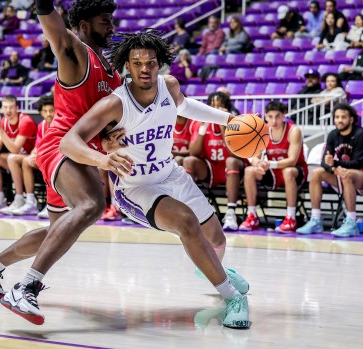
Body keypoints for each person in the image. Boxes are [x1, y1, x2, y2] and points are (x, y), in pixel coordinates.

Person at [60, 30, 250, 329]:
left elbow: (186, 106)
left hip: (170, 173)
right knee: (187, 222)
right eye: (137, 63)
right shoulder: (115, 103)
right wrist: (102, 158)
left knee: (217, 238)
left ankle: (210, 269)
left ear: (159, 63)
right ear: (127, 66)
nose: (145, 69)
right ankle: (232, 297)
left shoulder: (170, 86)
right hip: (137, 187)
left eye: (150, 62)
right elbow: (69, 141)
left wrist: (228, 120)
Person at [0, 0, 122, 324]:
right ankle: (26, 287)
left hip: (79, 153)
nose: (112, 27)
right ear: (84, 25)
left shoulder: (113, 73)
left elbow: (108, 125)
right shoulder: (77, 53)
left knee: (57, 230)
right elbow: (55, 32)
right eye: (105, 21)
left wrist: (112, 138)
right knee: (91, 205)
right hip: (61, 146)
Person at [297, 103, 363, 237]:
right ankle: (315, 220)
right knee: (316, 173)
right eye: (336, 117)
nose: (339, 120)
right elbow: (325, 160)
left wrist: (335, 164)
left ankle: (351, 222)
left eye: (343, 117)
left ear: (351, 119)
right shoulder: (333, 135)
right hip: (343, 172)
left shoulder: (361, 134)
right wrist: (333, 168)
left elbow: (359, 162)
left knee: (346, 174)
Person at [183, 92, 247, 232]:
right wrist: (203, 128)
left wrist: (224, 126)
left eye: (220, 106)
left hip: (235, 170)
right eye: (213, 105)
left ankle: (230, 214)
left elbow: (234, 153)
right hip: (211, 169)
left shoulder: (235, 124)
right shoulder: (199, 123)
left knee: (231, 161)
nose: (216, 109)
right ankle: (189, 211)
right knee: (189, 161)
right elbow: (193, 152)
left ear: (227, 108)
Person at [240, 101, 308, 232]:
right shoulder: (263, 131)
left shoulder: (294, 130)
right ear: (265, 116)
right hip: (274, 172)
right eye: (270, 117)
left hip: (296, 172)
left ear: (284, 116)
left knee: (288, 171)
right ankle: (252, 215)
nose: (274, 120)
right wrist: (257, 164)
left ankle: (291, 217)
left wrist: (269, 164)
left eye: (278, 116)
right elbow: (254, 156)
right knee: (249, 171)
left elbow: (293, 160)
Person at [0, 95, 37, 213]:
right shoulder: (4, 122)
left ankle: (19, 199)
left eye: (11, 107)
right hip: (17, 160)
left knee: (12, 157)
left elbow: (15, 149)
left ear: (17, 108)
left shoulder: (25, 121)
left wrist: (0, 130)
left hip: (32, 158)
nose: (8, 111)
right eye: (5, 107)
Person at [1, 95, 55, 216]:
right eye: (45, 111)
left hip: (58, 160)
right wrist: (32, 155)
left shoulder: (61, 125)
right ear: (41, 113)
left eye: (51, 111)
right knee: (24, 160)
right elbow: (37, 147)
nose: (48, 114)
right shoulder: (42, 126)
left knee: (47, 162)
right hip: (44, 160)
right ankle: (29, 201)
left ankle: (53, 204)